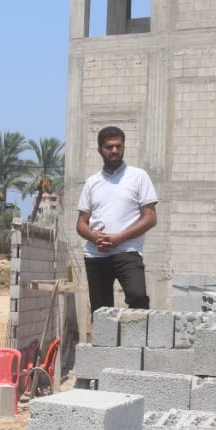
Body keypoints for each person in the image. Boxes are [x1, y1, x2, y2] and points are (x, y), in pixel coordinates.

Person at [76, 126, 158, 312]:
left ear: (123, 147)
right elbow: (81, 223)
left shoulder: (138, 176)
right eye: (109, 147)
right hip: (96, 254)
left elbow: (150, 218)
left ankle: (135, 332)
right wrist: (94, 237)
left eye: (118, 146)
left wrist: (119, 238)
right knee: (100, 312)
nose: (114, 150)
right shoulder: (92, 182)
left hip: (127, 251)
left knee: (138, 297)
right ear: (100, 150)